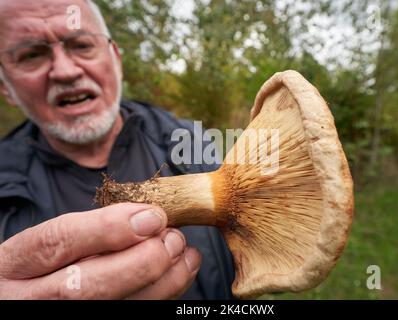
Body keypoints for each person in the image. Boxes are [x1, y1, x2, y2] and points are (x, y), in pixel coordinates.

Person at [0, 0, 234, 299]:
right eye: (31, 54)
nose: (65, 70)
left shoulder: (192, 139)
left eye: (82, 45)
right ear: (6, 86)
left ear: (116, 60)